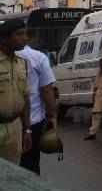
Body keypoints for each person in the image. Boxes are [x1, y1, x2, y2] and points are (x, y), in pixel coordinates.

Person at [17, 29, 57, 175]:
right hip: (34, 120)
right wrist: (52, 116)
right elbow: (47, 90)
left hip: (9, 122)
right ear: (29, 38)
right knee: (31, 162)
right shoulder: (39, 57)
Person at [0, 18, 30, 164]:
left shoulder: (22, 63)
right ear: (4, 38)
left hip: (15, 127)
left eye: (25, 33)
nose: (25, 38)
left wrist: (27, 129)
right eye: (19, 34)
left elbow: (26, 98)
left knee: (11, 172)